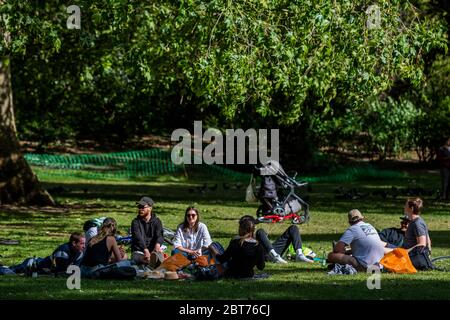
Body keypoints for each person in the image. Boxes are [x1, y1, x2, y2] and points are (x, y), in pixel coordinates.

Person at [9, 232, 86, 275]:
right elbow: (58, 270)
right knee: (10, 271)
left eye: (84, 244)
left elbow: (73, 270)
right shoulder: (63, 251)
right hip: (33, 264)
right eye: (82, 243)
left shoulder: (80, 253)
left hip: (40, 268)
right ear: (74, 243)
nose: (84, 246)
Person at [131, 196, 165, 267]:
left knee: (160, 256)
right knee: (137, 258)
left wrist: (157, 245)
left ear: (150, 208)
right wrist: (145, 250)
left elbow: (160, 236)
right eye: (139, 207)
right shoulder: (135, 222)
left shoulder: (157, 221)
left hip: (153, 251)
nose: (140, 209)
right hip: (139, 251)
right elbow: (138, 238)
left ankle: (151, 262)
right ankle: (149, 263)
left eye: (142, 207)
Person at [402, 198, 434, 270]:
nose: (404, 207)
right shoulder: (414, 221)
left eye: (406, 205)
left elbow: (422, 244)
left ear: (411, 208)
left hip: (411, 256)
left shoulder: (417, 223)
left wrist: (405, 252)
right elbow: (427, 238)